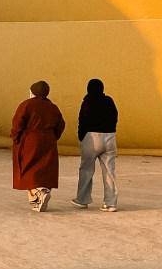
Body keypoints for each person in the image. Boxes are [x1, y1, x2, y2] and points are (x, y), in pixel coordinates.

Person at [11, 80, 66, 212]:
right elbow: (61, 124)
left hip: (30, 140)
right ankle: (39, 198)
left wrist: (16, 137)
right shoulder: (53, 107)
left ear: (33, 92)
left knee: (27, 168)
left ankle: (38, 192)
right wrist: (53, 137)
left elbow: (17, 123)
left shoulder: (27, 105)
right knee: (45, 168)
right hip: (48, 140)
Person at [73, 79, 119, 211]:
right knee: (110, 171)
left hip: (92, 138)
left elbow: (83, 120)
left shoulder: (88, 102)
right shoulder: (109, 101)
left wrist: (81, 137)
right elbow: (115, 116)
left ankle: (82, 200)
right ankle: (111, 203)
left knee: (87, 170)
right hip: (110, 137)